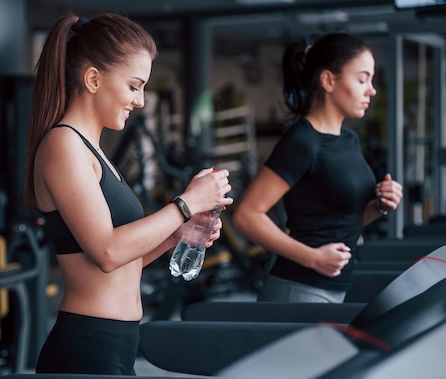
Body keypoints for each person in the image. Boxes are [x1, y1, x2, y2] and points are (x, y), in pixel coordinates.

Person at [23, 13, 233, 375]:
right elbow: (107, 251)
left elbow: (122, 261)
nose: (140, 101)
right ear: (93, 79)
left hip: (117, 342)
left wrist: (175, 236)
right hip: (88, 346)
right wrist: (186, 204)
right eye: (134, 86)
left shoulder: (93, 150)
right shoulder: (63, 145)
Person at [232, 33, 402, 303]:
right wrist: (313, 258)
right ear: (328, 80)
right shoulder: (303, 142)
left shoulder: (348, 139)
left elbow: (342, 221)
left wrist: (380, 205)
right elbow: (246, 215)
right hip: (298, 290)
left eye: (371, 80)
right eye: (362, 79)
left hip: (336, 288)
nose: (372, 90)